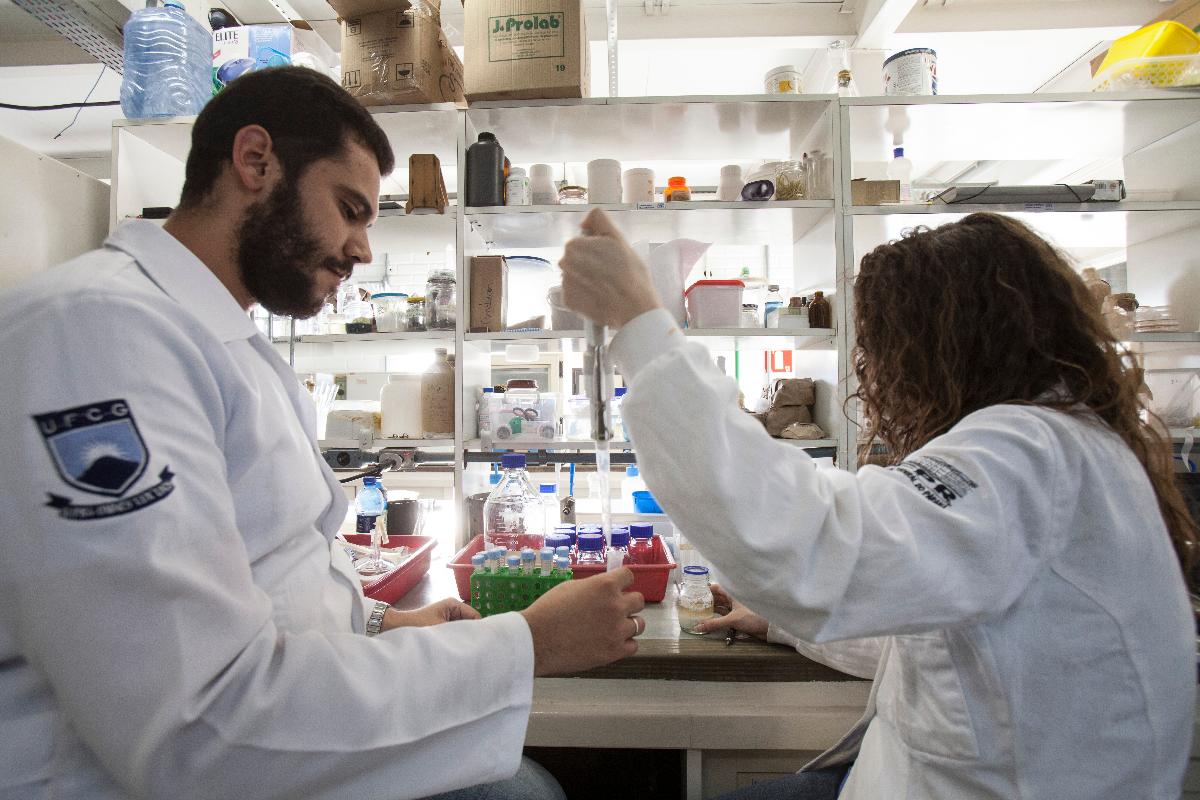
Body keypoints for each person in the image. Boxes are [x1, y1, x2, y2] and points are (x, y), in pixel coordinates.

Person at [0, 67, 646, 800]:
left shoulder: (219, 338)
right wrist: (526, 644)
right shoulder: (95, 334)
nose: (362, 248)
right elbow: (195, 725)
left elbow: (271, 566)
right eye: (349, 209)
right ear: (255, 161)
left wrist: (383, 623)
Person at [558, 208, 1197, 799]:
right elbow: (936, 623)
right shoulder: (1066, 443)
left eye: (885, 348)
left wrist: (642, 324)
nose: (875, 373)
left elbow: (811, 547)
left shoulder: (1029, 451)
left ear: (946, 347)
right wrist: (777, 623)